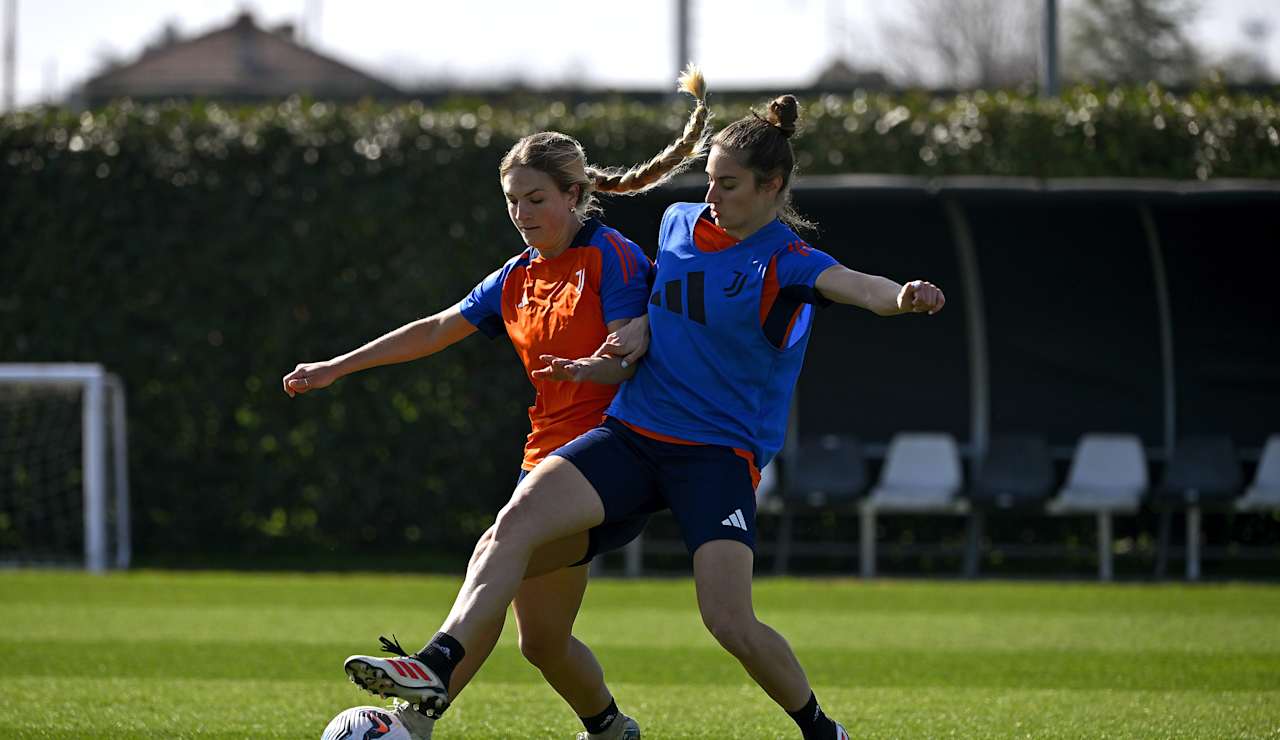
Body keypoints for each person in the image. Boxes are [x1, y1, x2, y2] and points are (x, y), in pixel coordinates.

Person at [343, 94, 945, 739]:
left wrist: (902, 297)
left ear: (772, 187)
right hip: (632, 436)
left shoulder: (788, 261)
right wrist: (629, 339)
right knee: (510, 527)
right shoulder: (678, 223)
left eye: (730, 184)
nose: (713, 195)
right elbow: (658, 308)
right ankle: (436, 667)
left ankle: (822, 729)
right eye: (710, 179)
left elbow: (858, 286)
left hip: (716, 457)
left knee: (728, 622)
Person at [285, 68, 711, 740]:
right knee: (540, 641)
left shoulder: (613, 258)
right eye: (512, 201)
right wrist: (340, 366)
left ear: (576, 195)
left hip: (614, 456)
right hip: (544, 463)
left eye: (536, 198)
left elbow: (634, 347)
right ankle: (609, 728)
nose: (522, 213)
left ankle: (423, 690)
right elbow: (434, 328)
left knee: (499, 543)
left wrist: (600, 364)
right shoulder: (515, 275)